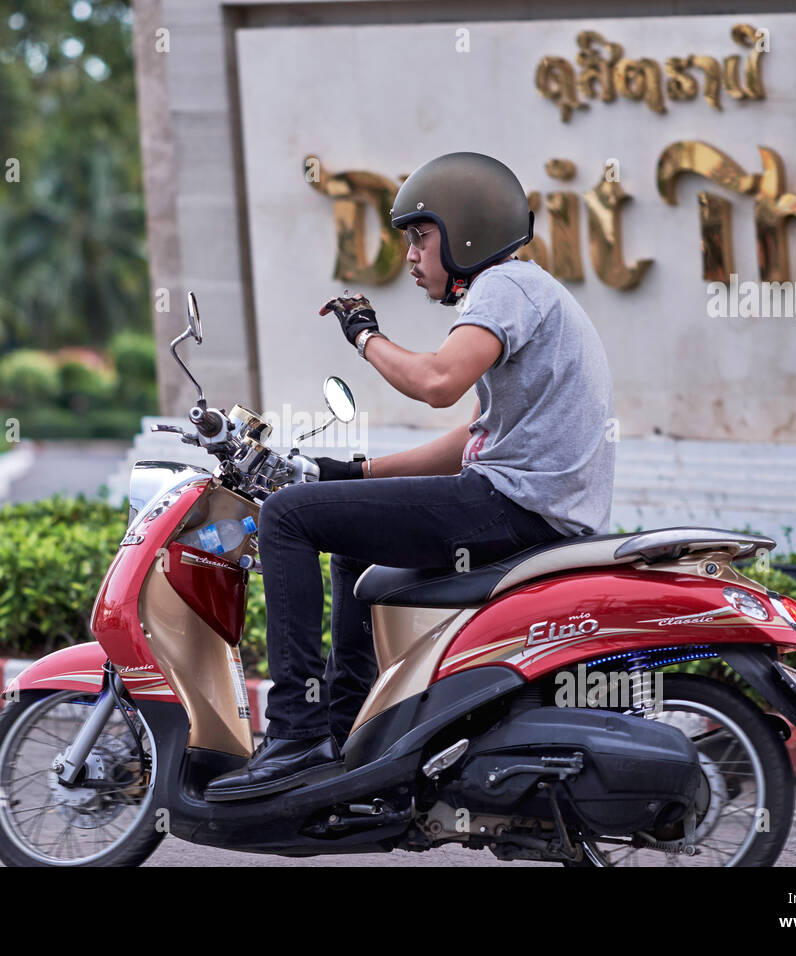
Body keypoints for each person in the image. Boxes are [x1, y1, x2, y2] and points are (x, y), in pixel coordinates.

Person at [204, 151, 616, 801]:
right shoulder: (528, 293)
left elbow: (437, 384)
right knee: (347, 540)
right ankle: (347, 735)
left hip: (514, 508)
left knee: (286, 517)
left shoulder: (504, 289)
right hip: (522, 503)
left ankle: (294, 737)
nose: (412, 256)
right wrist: (354, 471)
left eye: (420, 236)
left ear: (466, 231)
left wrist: (365, 337)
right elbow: (475, 438)